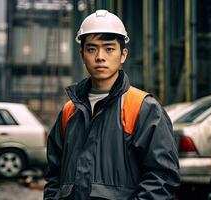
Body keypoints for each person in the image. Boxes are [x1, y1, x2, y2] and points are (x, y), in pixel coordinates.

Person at [44, 9, 180, 200]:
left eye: (109, 48)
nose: (100, 57)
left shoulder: (142, 107)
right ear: (82, 55)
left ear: (123, 54)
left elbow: (162, 178)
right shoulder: (70, 111)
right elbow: (53, 175)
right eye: (92, 49)